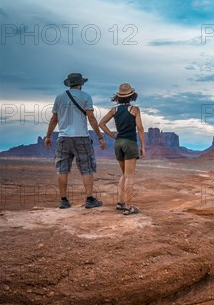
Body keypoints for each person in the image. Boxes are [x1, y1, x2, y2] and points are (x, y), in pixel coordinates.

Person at [45, 73, 106, 209]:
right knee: (87, 168)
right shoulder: (86, 96)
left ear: (69, 83)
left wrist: (48, 136)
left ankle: (63, 201)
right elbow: (91, 118)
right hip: (81, 138)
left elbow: (54, 119)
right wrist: (100, 137)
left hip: (63, 138)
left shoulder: (59, 97)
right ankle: (90, 200)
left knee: (62, 169)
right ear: (81, 84)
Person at [99, 83, 145, 215]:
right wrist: (142, 146)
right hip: (130, 143)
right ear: (131, 96)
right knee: (129, 176)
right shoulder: (135, 109)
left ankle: (120, 203)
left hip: (118, 143)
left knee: (124, 174)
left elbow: (101, 123)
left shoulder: (114, 110)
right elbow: (140, 128)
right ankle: (129, 206)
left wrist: (112, 135)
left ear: (119, 97)